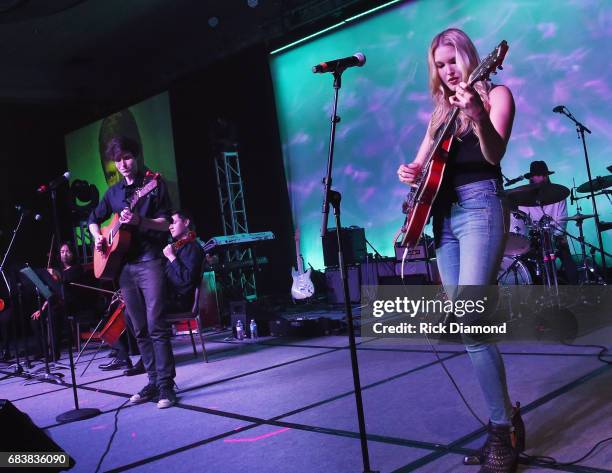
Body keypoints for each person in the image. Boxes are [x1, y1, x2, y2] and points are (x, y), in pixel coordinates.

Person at [397, 29, 522, 472]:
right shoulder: (439, 113)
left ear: (471, 59)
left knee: (471, 320)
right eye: (440, 64)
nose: (448, 70)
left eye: (453, 60)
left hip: (481, 207)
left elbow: (494, 156)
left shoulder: (497, 96)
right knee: (471, 330)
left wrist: (478, 115)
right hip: (443, 218)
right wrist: (408, 172)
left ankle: (500, 429)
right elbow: (420, 165)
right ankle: (506, 419)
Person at [88, 135, 177, 409]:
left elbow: (166, 224)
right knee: (138, 328)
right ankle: (152, 381)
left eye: (127, 157)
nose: (123, 164)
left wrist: (141, 221)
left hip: (150, 261)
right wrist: (98, 237)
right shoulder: (113, 193)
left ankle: (166, 386)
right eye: (118, 160)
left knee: (156, 325)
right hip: (124, 266)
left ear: (136, 156)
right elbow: (93, 219)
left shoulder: (154, 185)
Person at [510, 160, 578, 284]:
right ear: (532, 177)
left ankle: (579, 289)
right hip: (535, 239)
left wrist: (552, 236)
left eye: (544, 175)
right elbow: (522, 222)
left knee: (570, 266)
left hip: (555, 238)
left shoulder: (558, 194)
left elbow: (561, 221)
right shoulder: (523, 197)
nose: (542, 177)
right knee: (527, 262)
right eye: (539, 175)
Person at [163, 210, 205, 313]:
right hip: (171, 298)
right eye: (169, 224)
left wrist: (171, 257)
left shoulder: (192, 247)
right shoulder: (179, 247)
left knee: (138, 308)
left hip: (180, 302)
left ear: (186, 222)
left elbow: (188, 280)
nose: (170, 227)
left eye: (174, 222)